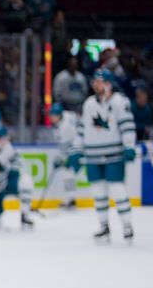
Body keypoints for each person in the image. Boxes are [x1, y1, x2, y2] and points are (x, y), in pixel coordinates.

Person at [69, 69, 136, 241]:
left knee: (117, 189)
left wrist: (129, 146)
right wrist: (76, 151)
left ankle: (127, 226)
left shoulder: (120, 102)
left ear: (108, 83)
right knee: (98, 192)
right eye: (94, 82)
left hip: (113, 155)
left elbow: (127, 126)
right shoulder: (89, 104)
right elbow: (82, 130)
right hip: (92, 155)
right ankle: (103, 226)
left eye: (98, 82)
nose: (95, 85)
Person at [0, 125, 35, 229]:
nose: (5, 141)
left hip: (7, 182)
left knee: (26, 181)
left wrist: (11, 170)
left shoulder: (8, 147)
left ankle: (25, 215)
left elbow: (18, 161)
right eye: (3, 138)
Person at [49, 103, 82, 208]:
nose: (52, 118)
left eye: (54, 115)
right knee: (68, 174)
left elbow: (64, 148)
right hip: (78, 147)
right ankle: (70, 199)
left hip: (77, 150)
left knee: (68, 174)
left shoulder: (64, 128)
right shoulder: (68, 115)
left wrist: (59, 159)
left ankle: (71, 200)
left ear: (59, 115)